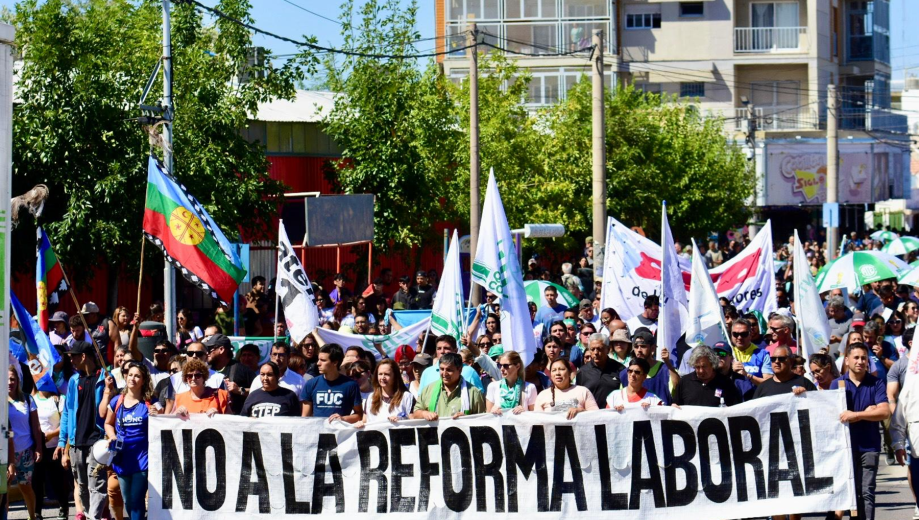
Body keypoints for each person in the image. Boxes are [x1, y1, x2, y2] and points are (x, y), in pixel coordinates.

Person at [836, 342, 891, 520]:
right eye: (856, 357)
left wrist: (856, 415)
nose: (860, 361)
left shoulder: (876, 383)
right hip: (845, 448)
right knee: (851, 493)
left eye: (864, 358)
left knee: (867, 492)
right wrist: (868, 413)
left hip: (869, 446)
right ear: (846, 360)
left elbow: (884, 411)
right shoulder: (837, 384)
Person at [56, 341, 109, 520]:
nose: (71, 360)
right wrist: (63, 443)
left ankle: (95, 517)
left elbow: (110, 407)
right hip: (77, 442)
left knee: (97, 486)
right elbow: (67, 412)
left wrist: (111, 389)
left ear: (84, 356)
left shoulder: (104, 377)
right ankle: (88, 514)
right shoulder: (73, 380)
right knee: (82, 485)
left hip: (97, 442)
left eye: (73, 356)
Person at [103, 363, 154, 520]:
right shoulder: (117, 401)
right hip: (121, 459)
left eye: (137, 375)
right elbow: (107, 423)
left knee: (136, 500)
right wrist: (112, 436)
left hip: (142, 458)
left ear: (144, 380)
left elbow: (165, 420)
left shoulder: (150, 402)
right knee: (127, 502)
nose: (133, 378)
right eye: (130, 374)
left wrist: (157, 413)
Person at [7, 367, 42, 520]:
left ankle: (32, 516)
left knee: (25, 487)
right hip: (6, 454)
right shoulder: (1, 402)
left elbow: (36, 426)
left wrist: (39, 447)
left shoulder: (28, 399)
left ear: (18, 380)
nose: (10, 382)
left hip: (26, 451)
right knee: (3, 490)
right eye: (7, 379)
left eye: (13, 379)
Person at [33, 382, 70, 520]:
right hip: (37, 447)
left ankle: (63, 507)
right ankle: (37, 511)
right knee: (37, 481)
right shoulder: (32, 400)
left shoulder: (59, 399)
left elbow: (66, 423)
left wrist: (52, 435)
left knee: (58, 480)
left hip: (55, 447)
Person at [412, 353, 486, 419]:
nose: (444, 373)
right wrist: (424, 413)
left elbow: (482, 422)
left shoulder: (474, 393)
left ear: (460, 370)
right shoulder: (428, 389)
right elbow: (415, 413)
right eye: (442, 369)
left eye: (449, 370)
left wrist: (467, 420)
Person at [301, 344, 363, 423]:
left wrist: (342, 419)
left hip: (340, 432)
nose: (318, 363)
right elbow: (305, 417)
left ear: (335, 362)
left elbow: (359, 415)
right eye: (318, 359)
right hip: (317, 431)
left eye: (323, 360)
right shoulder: (311, 383)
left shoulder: (351, 385)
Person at [620, 329, 679, 406]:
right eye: (636, 347)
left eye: (643, 346)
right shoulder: (625, 374)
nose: (639, 350)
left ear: (653, 348)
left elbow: (678, 387)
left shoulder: (665, 370)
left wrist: (668, 363)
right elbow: (620, 398)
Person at [672, 345, 742, 407]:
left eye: (704, 366)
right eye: (697, 367)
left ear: (712, 364)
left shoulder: (726, 383)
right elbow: (676, 405)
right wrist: (674, 407)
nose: (701, 371)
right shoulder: (685, 382)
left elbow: (735, 409)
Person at [204, 334, 257, 415]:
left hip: (235, 420)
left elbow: (260, 391)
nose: (207, 353)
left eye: (210, 349)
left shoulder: (243, 370)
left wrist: (240, 390)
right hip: (210, 418)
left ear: (221, 349)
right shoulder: (206, 370)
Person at [417, 335, 484, 393]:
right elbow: (420, 399)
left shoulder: (469, 371)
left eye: (446, 348)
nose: (442, 351)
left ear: (455, 351)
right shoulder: (427, 372)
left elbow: (479, 397)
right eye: (439, 348)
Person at [534, 359, 598, 418]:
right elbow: (537, 420)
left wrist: (581, 411)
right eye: (554, 370)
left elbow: (597, 416)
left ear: (569, 372)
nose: (557, 373)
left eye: (561, 369)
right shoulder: (542, 395)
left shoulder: (583, 391)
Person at [575, 333, 625, 409]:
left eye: (599, 349)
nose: (595, 353)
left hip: (614, 416)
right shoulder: (582, 372)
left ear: (608, 349)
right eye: (592, 349)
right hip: (591, 416)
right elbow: (579, 398)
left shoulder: (620, 369)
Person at [359, 359, 415, 424]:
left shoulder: (407, 397)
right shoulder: (371, 398)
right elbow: (365, 421)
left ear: (395, 376)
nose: (383, 377)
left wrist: (401, 419)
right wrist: (360, 424)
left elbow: (413, 420)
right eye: (380, 374)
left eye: (387, 374)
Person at [730, 318, 773, 385]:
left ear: (750, 335)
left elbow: (768, 384)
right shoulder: (727, 353)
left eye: (744, 334)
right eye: (735, 334)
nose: (739, 337)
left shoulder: (763, 354)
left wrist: (747, 375)